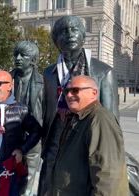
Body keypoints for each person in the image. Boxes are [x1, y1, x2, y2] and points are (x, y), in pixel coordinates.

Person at [38, 15, 119, 196]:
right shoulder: (49, 74)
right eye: (63, 31)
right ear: (56, 40)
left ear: (83, 36)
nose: (69, 34)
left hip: (84, 148)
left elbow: (112, 121)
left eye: (74, 29)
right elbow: (44, 112)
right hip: (53, 148)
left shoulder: (103, 72)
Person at [49, 75, 128, 195]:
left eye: (75, 90)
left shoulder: (100, 120)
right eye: (66, 91)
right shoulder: (77, 117)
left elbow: (108, 175)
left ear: (94, 93)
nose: (69, 95)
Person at [11, 41, 43, 195]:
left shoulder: (43, 82)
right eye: (16, 54)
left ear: (32, 60)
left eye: (23, 55)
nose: (18, 58)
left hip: (33, 139)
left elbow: (48, 113)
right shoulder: (7, 79)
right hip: (10, 138)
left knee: (27, 184)